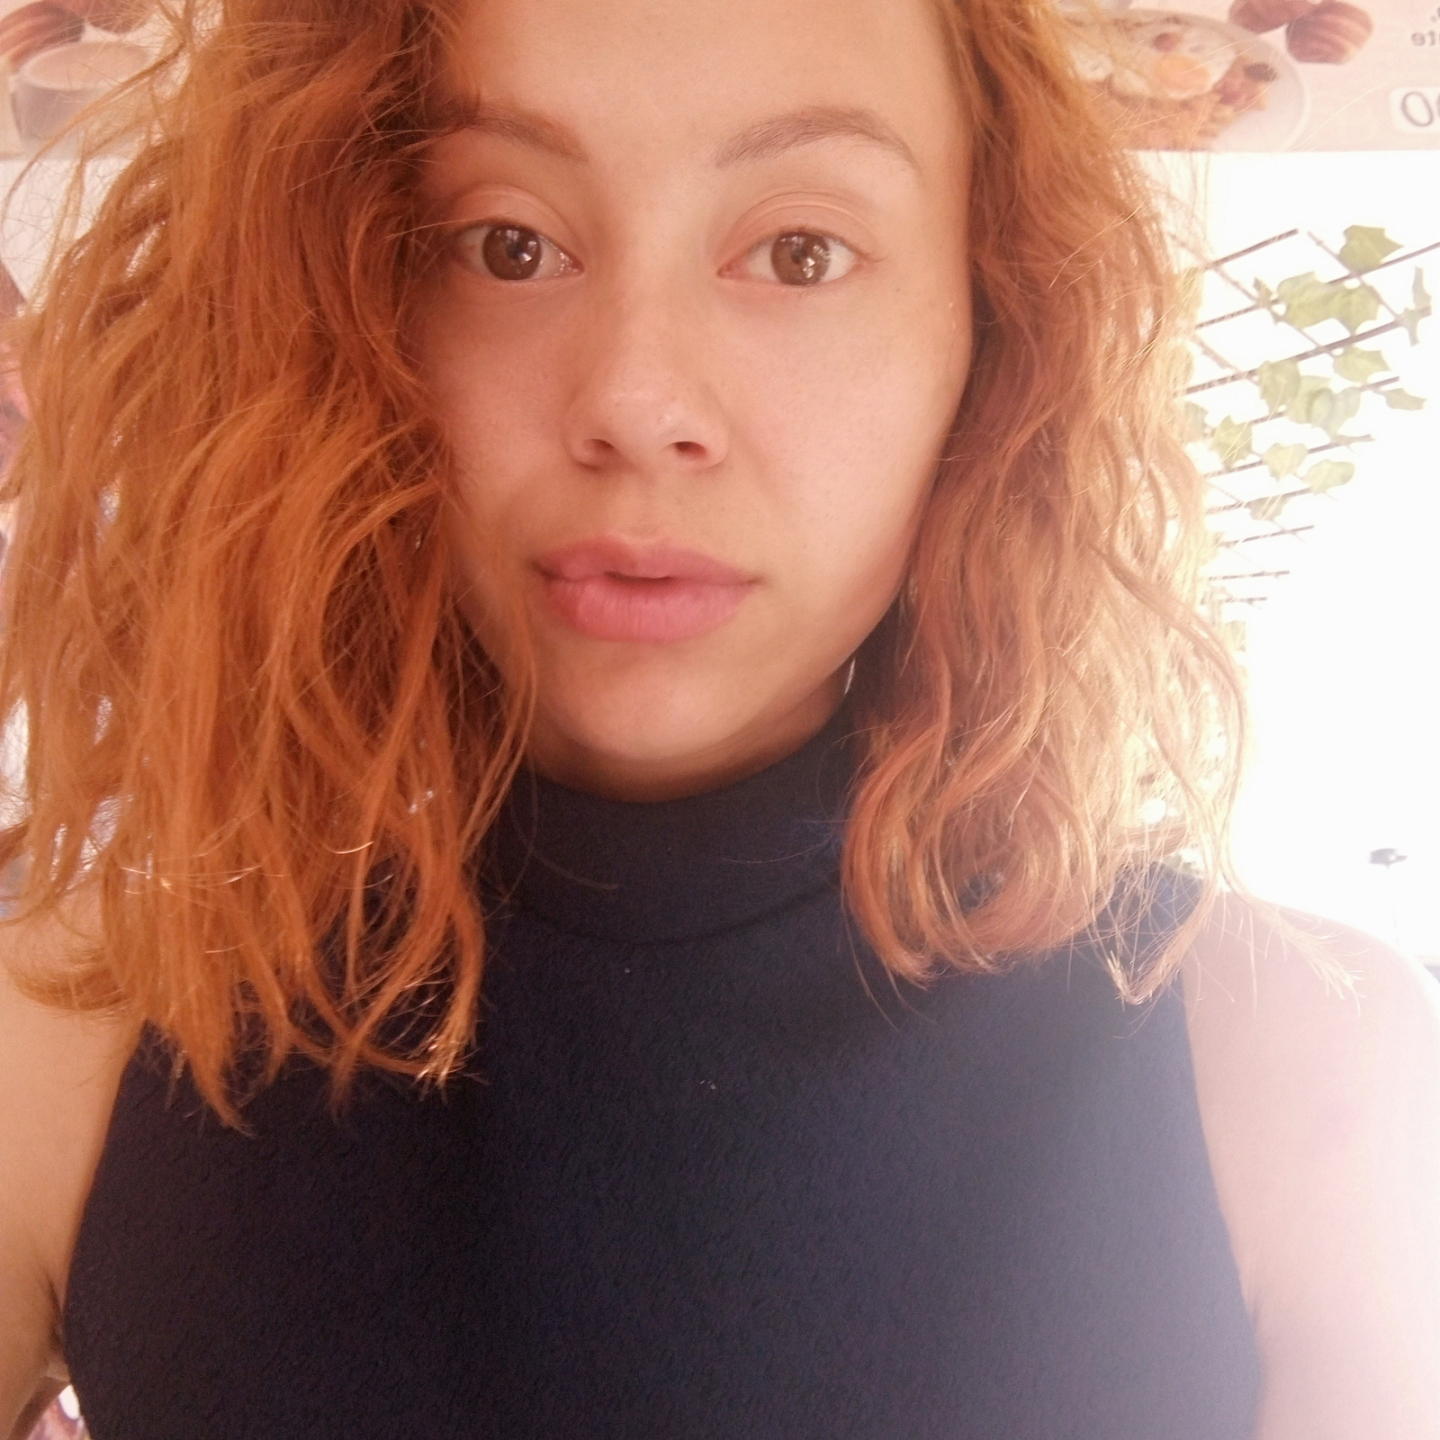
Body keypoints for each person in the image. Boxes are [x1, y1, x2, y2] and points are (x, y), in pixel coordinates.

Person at [0, 0, 1436, 1435]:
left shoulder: (1307, 1076)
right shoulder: (71, 1036)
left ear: (990, 332)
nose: (636, 400)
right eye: (508, 245)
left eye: (802, 251)